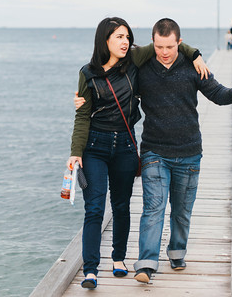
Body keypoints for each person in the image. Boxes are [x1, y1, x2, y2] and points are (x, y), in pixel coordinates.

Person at [67, 17, 209, 289]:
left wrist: (196, 54)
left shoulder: (133, 61)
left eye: (127, 37)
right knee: (95, 207)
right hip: (95, 146)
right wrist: (76, 152)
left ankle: (118, 259)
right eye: (119, 37)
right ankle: (91, 270)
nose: (125, 42)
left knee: (121, 206)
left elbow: (168, 44)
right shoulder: (87, 73)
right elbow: (82, 116)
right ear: (104, 40)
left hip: (125, 144)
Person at [132, 18, 232, 283]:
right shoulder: (141, 67)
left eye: (170, 46)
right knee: (154, 207)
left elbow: (216, 93)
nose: (164, 52)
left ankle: (176, 252)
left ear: (180, 43)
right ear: (152, 43)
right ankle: (146, 264)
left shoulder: (192, 66)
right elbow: (117, 68)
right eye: (159, 46)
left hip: (189, 152)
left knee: (181, 210)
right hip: (154, 151)